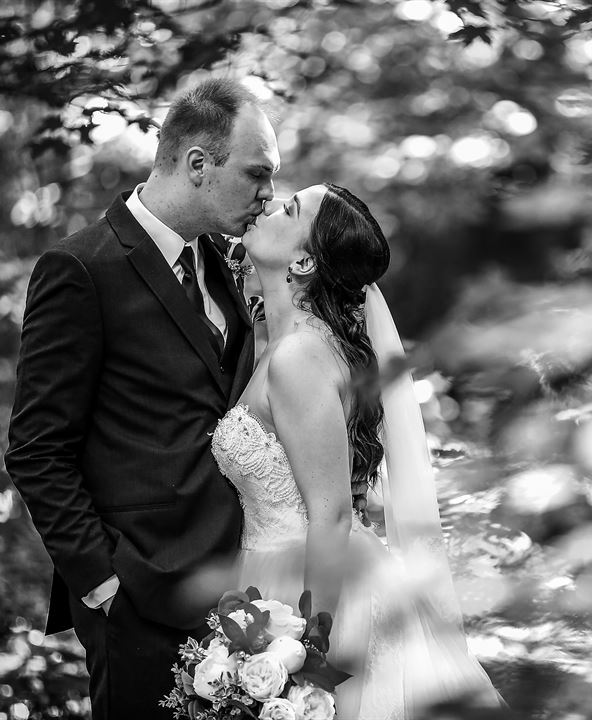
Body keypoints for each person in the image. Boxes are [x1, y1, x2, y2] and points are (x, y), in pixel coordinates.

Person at [5, 77, 279, 719]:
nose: (269, 194)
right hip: (138, 598)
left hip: (241, 594)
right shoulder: (82, 269)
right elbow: (37, 449)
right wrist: (102, 583)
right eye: (257, 173)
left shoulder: (225, 263)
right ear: (198, 164)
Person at [212, 183, 504, 718]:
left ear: (303, 261)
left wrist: (304, 651)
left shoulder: (299, 356)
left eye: (289, 209)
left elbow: (332, 514)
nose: (269, 205)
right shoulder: (278, 341)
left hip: (316, 586)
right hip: (274, 573)